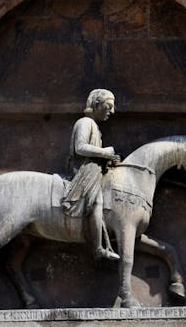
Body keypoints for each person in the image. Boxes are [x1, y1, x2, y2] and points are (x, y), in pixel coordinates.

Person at [62, 89, 122, 261]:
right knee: (96, 202)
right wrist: (104, 152)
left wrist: (108, 159)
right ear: (97, 104)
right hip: (83, 171)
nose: (112, 111)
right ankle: (98, 249)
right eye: (109, 106)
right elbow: (80, 147)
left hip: (93, 169)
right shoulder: (85, 122)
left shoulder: (94, 126)